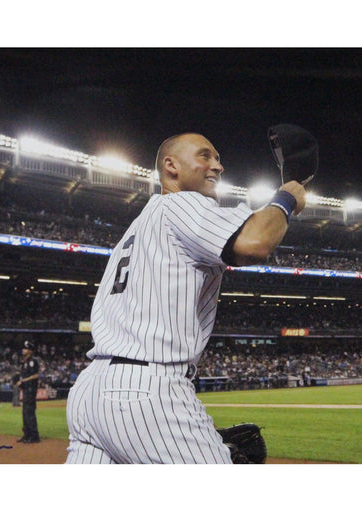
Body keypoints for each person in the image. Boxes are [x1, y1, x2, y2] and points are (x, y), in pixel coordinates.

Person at [65, 132, 306, 463]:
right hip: (145, 388)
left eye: (218, 158)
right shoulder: (182, 203)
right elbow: (255, 242)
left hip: (90, 394)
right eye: (205, 156)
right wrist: (286, 198)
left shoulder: (137, 227)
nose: (217, 166)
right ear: (171, 166)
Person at [16, 340, 40, 443]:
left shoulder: (33, 361)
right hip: (26, 389)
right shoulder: (24, 362)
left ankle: (34, 436)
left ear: (30, 350)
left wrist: (23, 380)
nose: (23, 350)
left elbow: (36, 375)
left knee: (29, 412)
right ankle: (26, 434)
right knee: (25, 412)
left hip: (31, 389)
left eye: (25, 348)